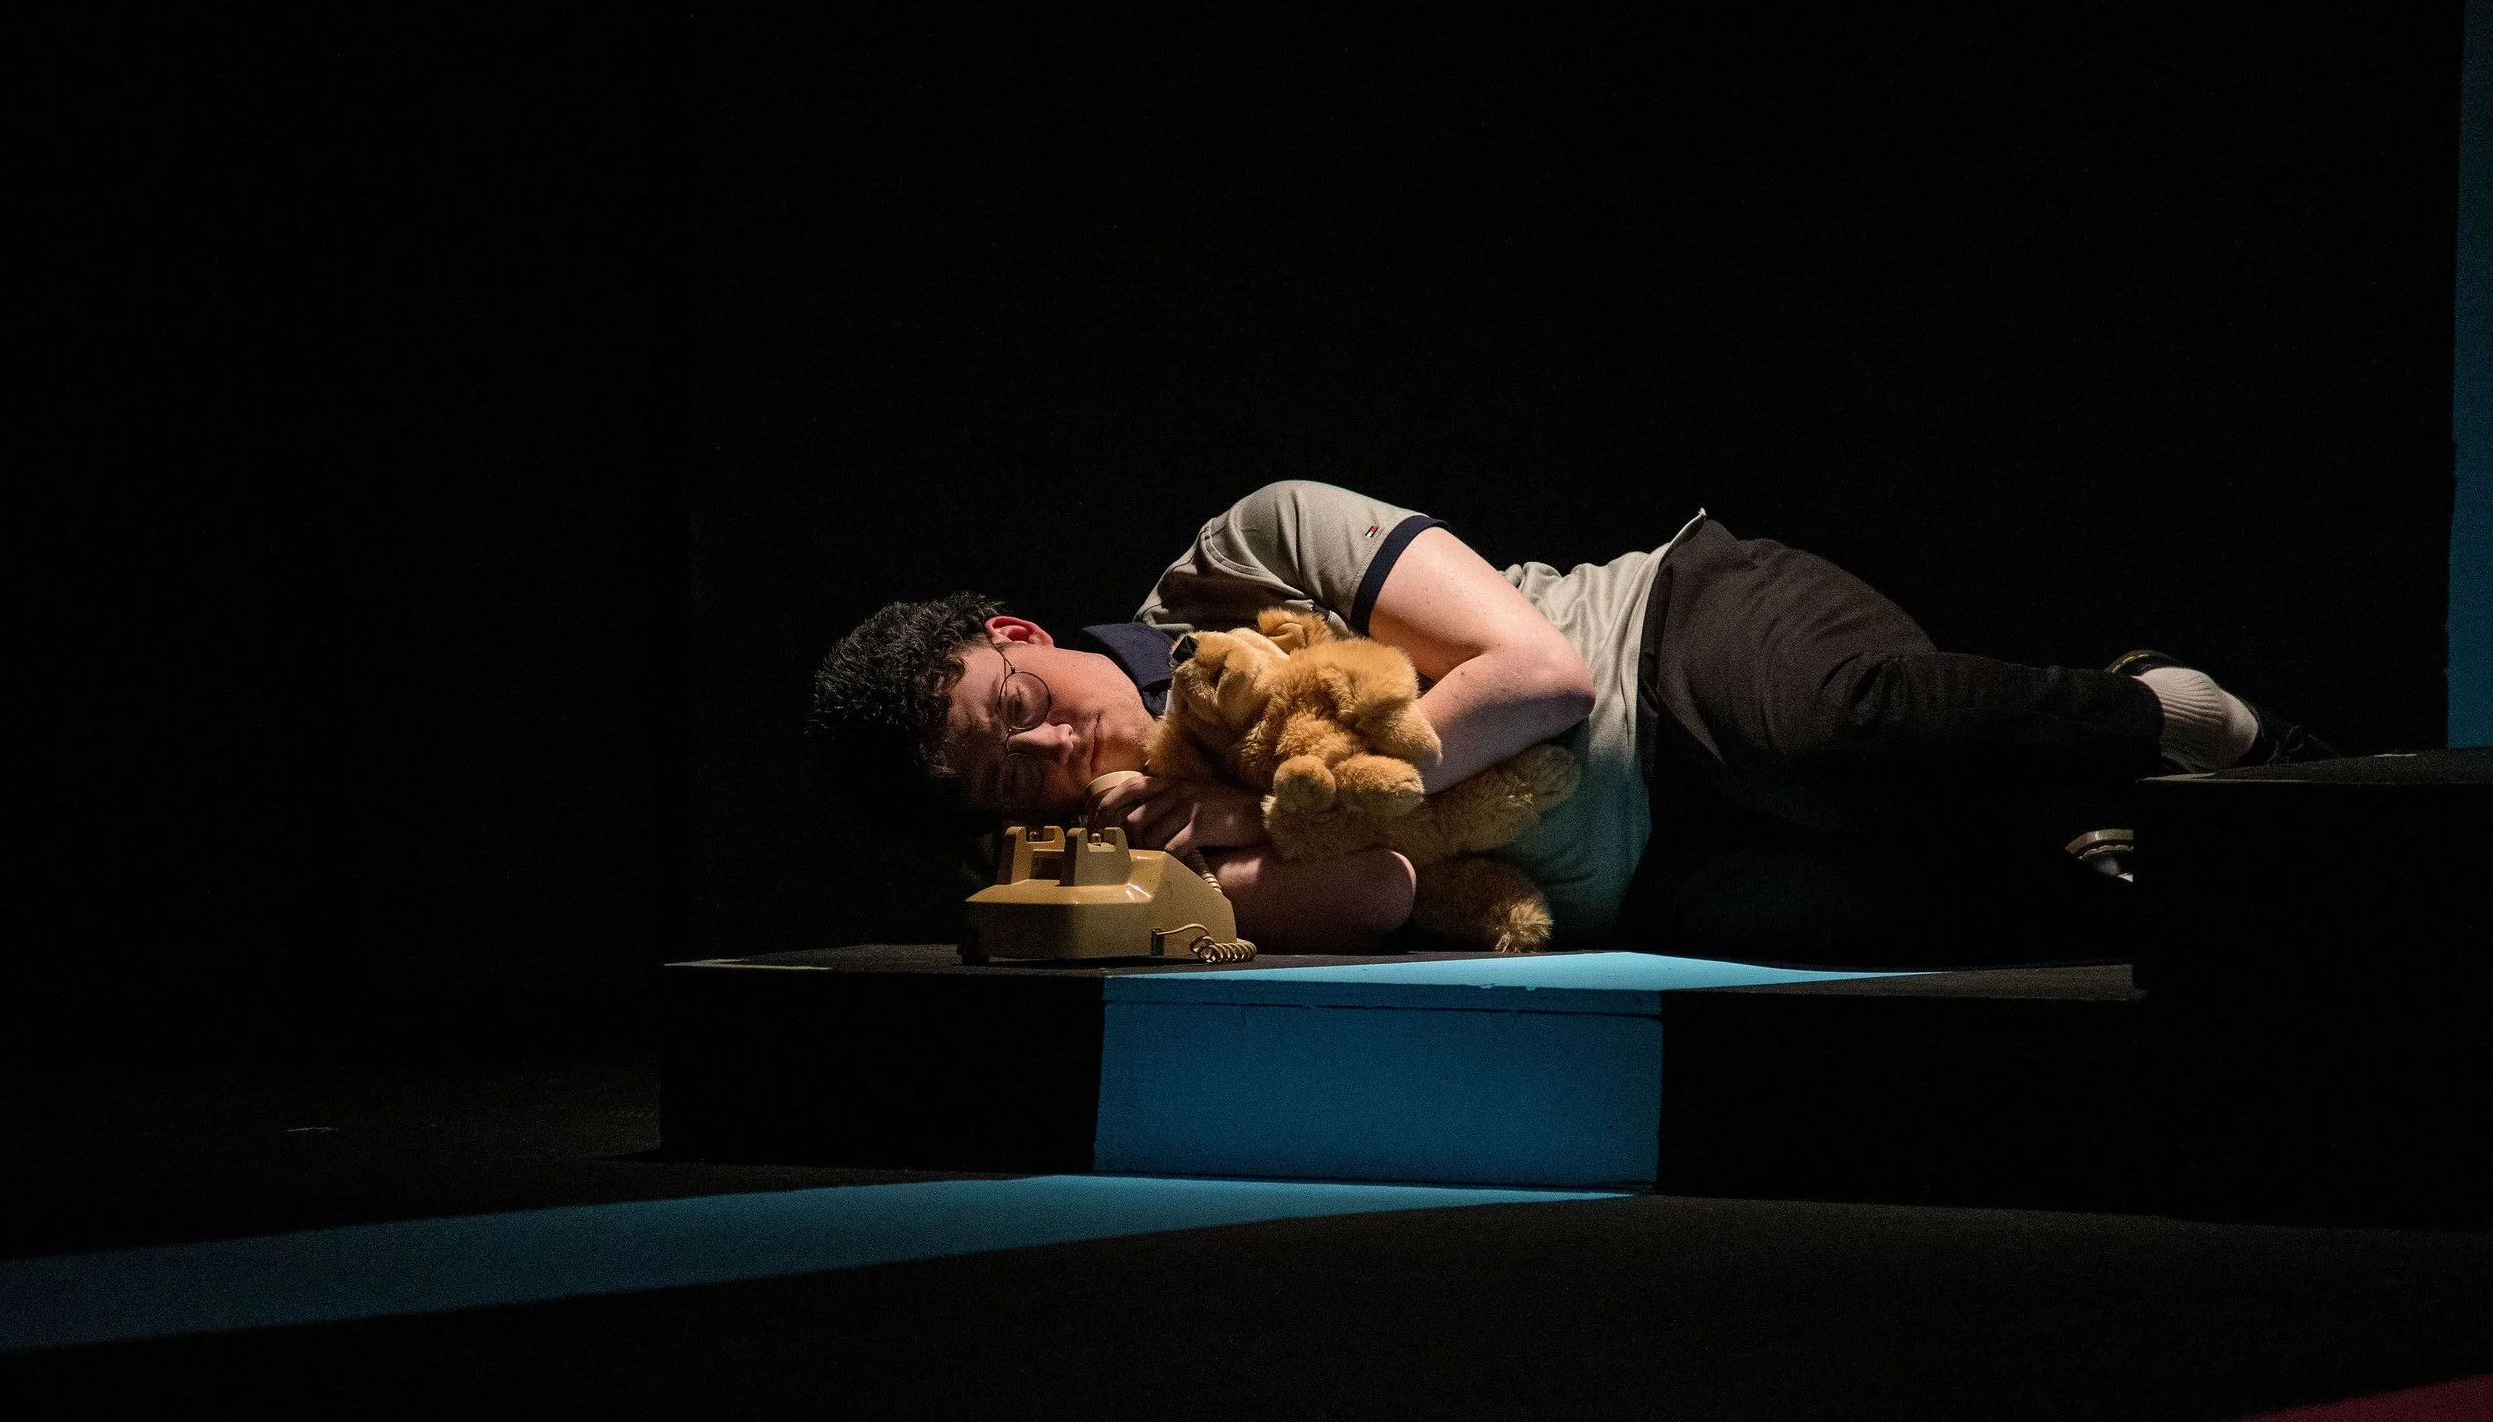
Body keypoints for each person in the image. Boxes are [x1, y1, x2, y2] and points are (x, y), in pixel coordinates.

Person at [806, 481, 2327, 964]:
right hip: (1637, 876)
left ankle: (2161, 708)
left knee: (1833, 739)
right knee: (1936, 921)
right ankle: (2106, 842)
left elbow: (1541, 676)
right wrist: (1171, 890)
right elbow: (1383, 889)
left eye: (1020, 707)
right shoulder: (1153, 860)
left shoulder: (1247, 552)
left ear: (1021, 637)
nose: (1053, 752)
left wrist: (1270, 804)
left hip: (1671, 639)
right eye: (1007, 779)